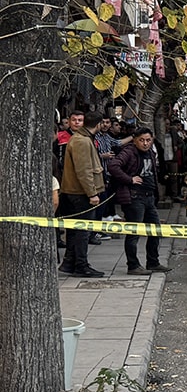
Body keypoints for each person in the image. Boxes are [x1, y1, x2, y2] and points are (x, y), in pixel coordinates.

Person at [109, 127, 173, 275]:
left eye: (148, 140)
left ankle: (153, 262)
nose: (145, 143)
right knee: (134, 233)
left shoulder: (150, 152)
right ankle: (133, 265)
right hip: (134, 197)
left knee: (155, 230)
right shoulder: (129, 152)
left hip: (149, 196)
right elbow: (113, 166)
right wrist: (129, 179)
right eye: (142, 140)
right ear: (135, 139)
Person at [59, 111, 106, 278]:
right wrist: (92, 193)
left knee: (75, 230)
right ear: (99, 124)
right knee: (82, 231)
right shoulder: (82, 141)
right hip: (79, 194)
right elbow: (83, 170)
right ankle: (81, 265)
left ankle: (69, 263)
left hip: (76, 192)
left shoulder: (82, 139)